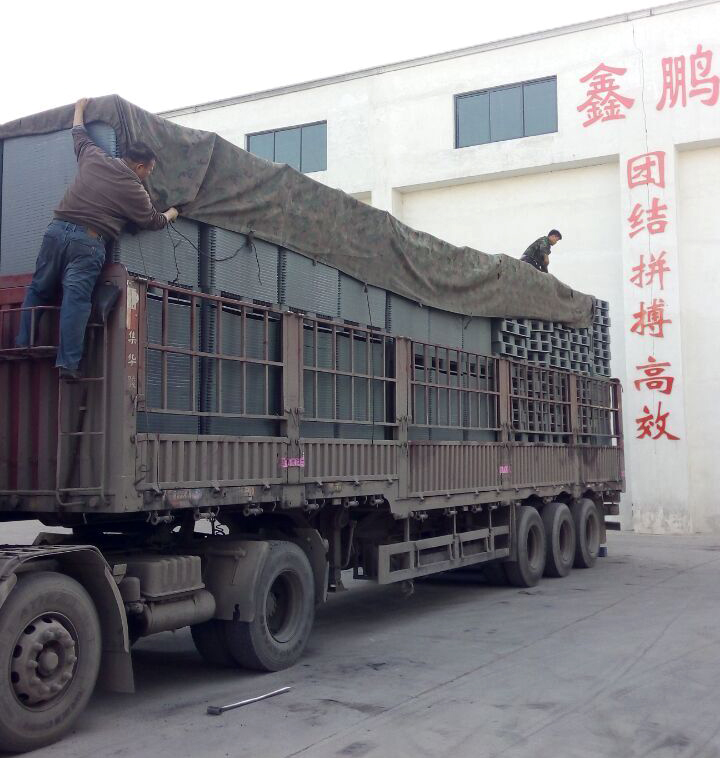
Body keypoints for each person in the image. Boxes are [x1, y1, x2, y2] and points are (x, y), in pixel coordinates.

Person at [16, 98, 179, 380]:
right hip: (88, 242)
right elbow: (152, 221)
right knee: (76, 300)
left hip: (56, 231)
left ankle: (23, 342)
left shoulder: (94, 157)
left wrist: (79, 108)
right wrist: (172, 213)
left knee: (39, 288)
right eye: (149, 171)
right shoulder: (134, 190)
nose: (148, 176)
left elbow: (79, 133)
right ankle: (68, 364)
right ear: (140, 167)